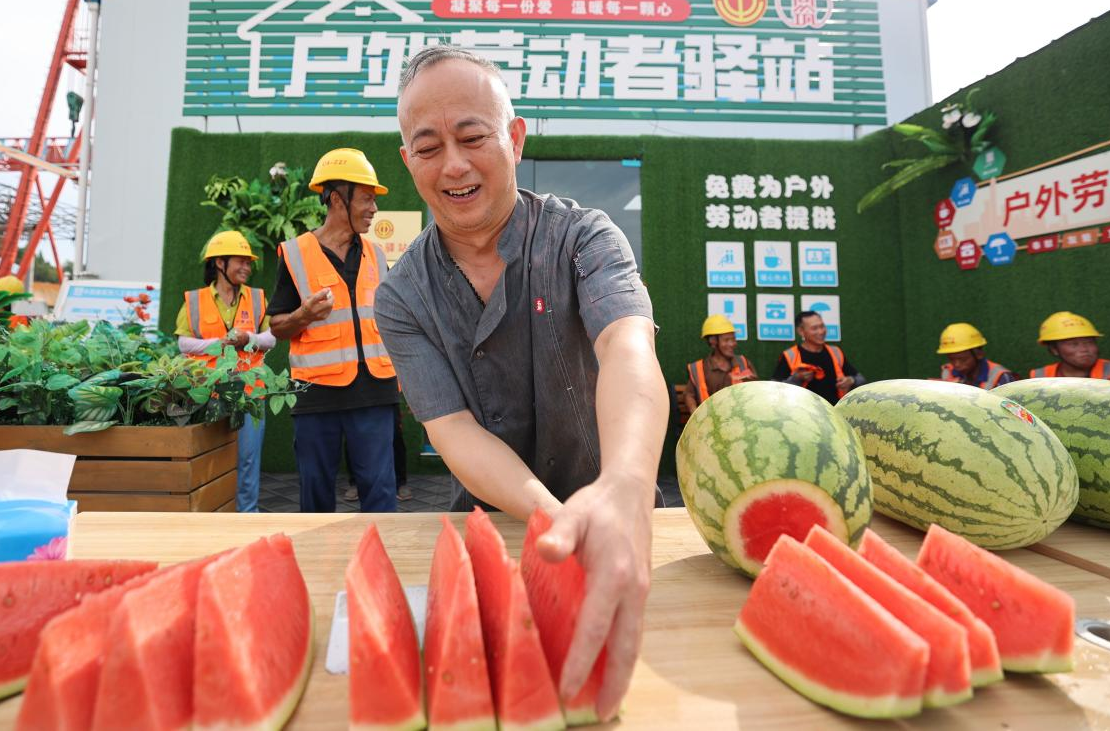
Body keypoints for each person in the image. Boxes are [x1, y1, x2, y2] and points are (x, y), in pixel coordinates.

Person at [374, 45, 667, 722]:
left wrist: (625, 486)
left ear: (515, 136)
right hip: (491, 528)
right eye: (428, 147)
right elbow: (453, 429)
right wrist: (556, 522)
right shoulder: (401, 296)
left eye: (473, 137)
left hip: (621, 519)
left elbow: (627, 347)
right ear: (408, 161)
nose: (453, 165)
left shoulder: (584, 237)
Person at [267, 148, 399, 513]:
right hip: (317, 396)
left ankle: (380, 553)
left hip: (375, 393)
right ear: (338, 199)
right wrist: (303, 315)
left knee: (381, 494)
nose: (374, 208)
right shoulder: (295, 254)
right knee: (316, 495)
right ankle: (316, 554)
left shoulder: (377, 255)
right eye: (367, 198)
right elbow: (277, 326)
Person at [176, 230, 276, 512]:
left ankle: (247, 515)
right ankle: (212, 517)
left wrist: (248, 338)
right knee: (212, 458)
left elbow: (271, 338)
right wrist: (217, 344)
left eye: (248, 262)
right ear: (220, 263)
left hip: (250, 392)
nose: (247, 267)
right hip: (209, 393)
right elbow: (183, 343)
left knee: (248, 459)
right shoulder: (194, 300)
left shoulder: (257, 298)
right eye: (241, 261)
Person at [771, 310, 864, 404]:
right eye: (814, 328)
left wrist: (851, 380)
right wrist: (796, 378)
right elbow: (773, 389)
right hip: (802, 411)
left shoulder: (835, 352)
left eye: (822, 326)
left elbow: (861, 379)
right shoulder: (790, 355)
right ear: (801, 331)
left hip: (833, 410)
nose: (821, 331)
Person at [683, 313, 757, 416]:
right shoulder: (699, 368)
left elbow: (756, 392)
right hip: (711, 421)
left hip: (740, 420)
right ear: (713, 341)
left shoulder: (743, 362)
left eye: (733, 339)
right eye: (727, 340)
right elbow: (689, 395)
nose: (733, 344)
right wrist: (694, 411)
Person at [1029, 311, 1110, 379]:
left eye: (1089, 342)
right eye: (1073, 344)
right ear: (1054, 349)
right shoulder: (1040, 377)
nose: (1084, 349)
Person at [936, 322, 1016, 389]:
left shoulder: (1000, 377)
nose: (957, 364)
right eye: (952, 359)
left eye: (963, 359)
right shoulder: (947, 372)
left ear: (979, 354)